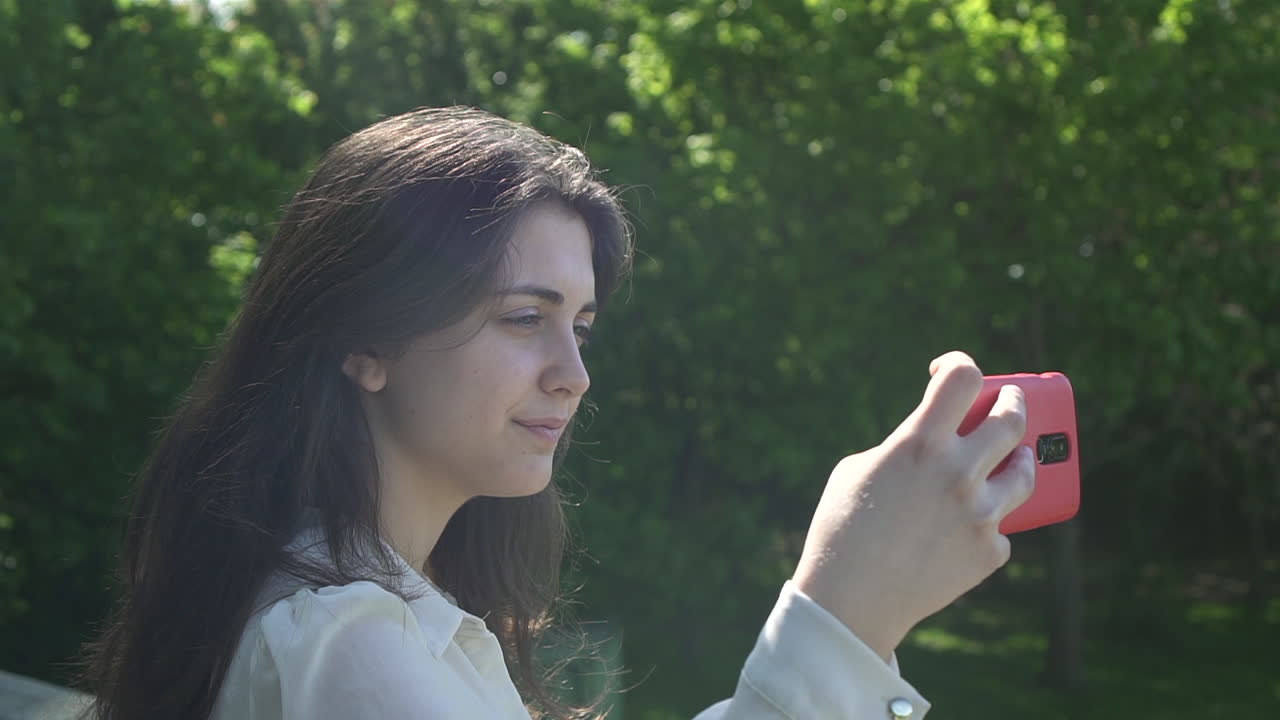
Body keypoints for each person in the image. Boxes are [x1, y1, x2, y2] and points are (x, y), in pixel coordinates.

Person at [76, 106, 1035, 719]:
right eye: (523, 317)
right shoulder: (346, 647)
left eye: (580, 325)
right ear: (363, 341)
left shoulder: (376, 615)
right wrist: (845, 617)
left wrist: (849, 629)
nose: (573, 373)